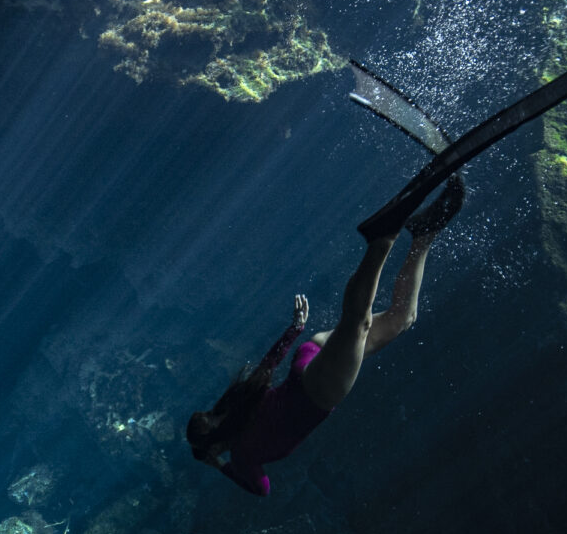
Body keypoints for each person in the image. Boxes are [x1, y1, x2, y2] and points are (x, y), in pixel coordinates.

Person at [186, 174, 465, 495]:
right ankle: (424, 234)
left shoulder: (242, 456)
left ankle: (381, 239)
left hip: (317, 390)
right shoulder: (237, 404)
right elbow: (268, 365)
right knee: (402, 318)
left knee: (357, 323)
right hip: (310, 359)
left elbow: (262, 490)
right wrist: (295, 330)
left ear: (213, 448)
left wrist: (221, 467)